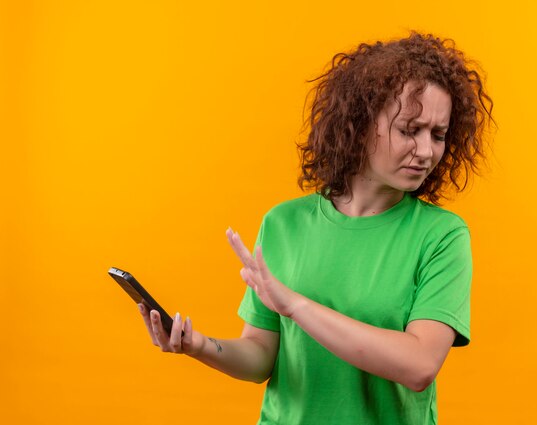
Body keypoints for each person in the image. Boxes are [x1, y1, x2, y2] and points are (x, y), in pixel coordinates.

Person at [138, 31, 494, 424]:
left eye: (438, 135)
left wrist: (296, 306)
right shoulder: (283, 224)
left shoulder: (441, 236)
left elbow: (419, 364)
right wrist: (200, 346)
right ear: (359, 125)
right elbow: (260, 355)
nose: (426, 151)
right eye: (409, 129)